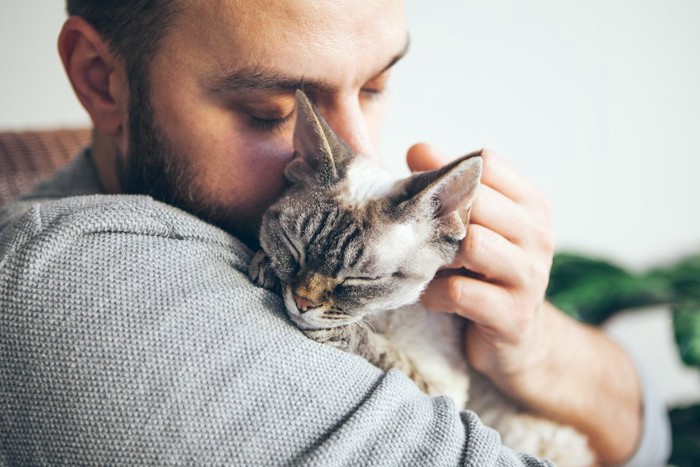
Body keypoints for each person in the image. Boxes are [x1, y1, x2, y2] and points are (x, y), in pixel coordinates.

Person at [0, 1, 670, 465]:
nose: (356, 150)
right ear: (100, 78)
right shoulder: (80, 288)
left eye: (376, 85)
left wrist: (531, 344)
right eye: (272, 111)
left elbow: (650, 435)